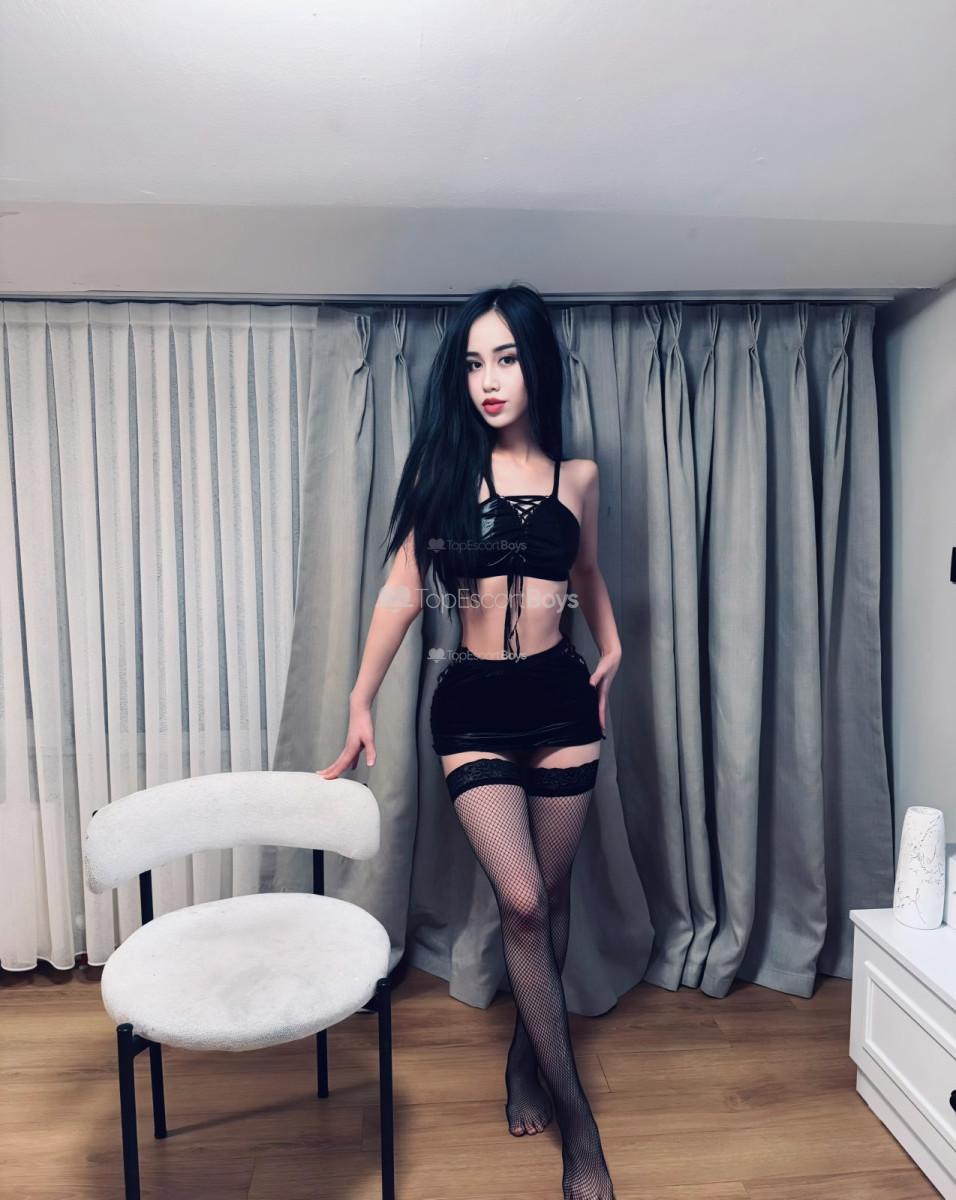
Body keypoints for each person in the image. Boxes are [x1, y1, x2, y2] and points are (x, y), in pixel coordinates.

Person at [318, 283, 622, 1200]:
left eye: (506, 359)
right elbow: (402, 591)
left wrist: (612, 644)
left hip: (563, 701)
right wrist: (361, 698)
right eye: (473, 363)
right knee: (522, 902)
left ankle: (526, 1060)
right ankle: (581, 1128)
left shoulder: (578, 478)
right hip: (475, 705)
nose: (488, 380)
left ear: (537, 365)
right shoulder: (447, 473)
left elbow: (586, 570)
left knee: (552, 898)